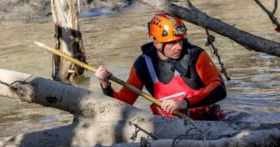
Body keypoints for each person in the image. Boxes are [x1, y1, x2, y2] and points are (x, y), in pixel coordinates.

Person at [95, 13, 226, 120]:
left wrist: (184, 103)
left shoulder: (196, 55)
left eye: (180, 40)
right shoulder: (142, 65)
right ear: (157, 43)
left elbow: (219, 89)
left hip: (207, 121)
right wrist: (105, 84)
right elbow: (122, 104)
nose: (179, 47)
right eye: (172, 43)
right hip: (168, 127)